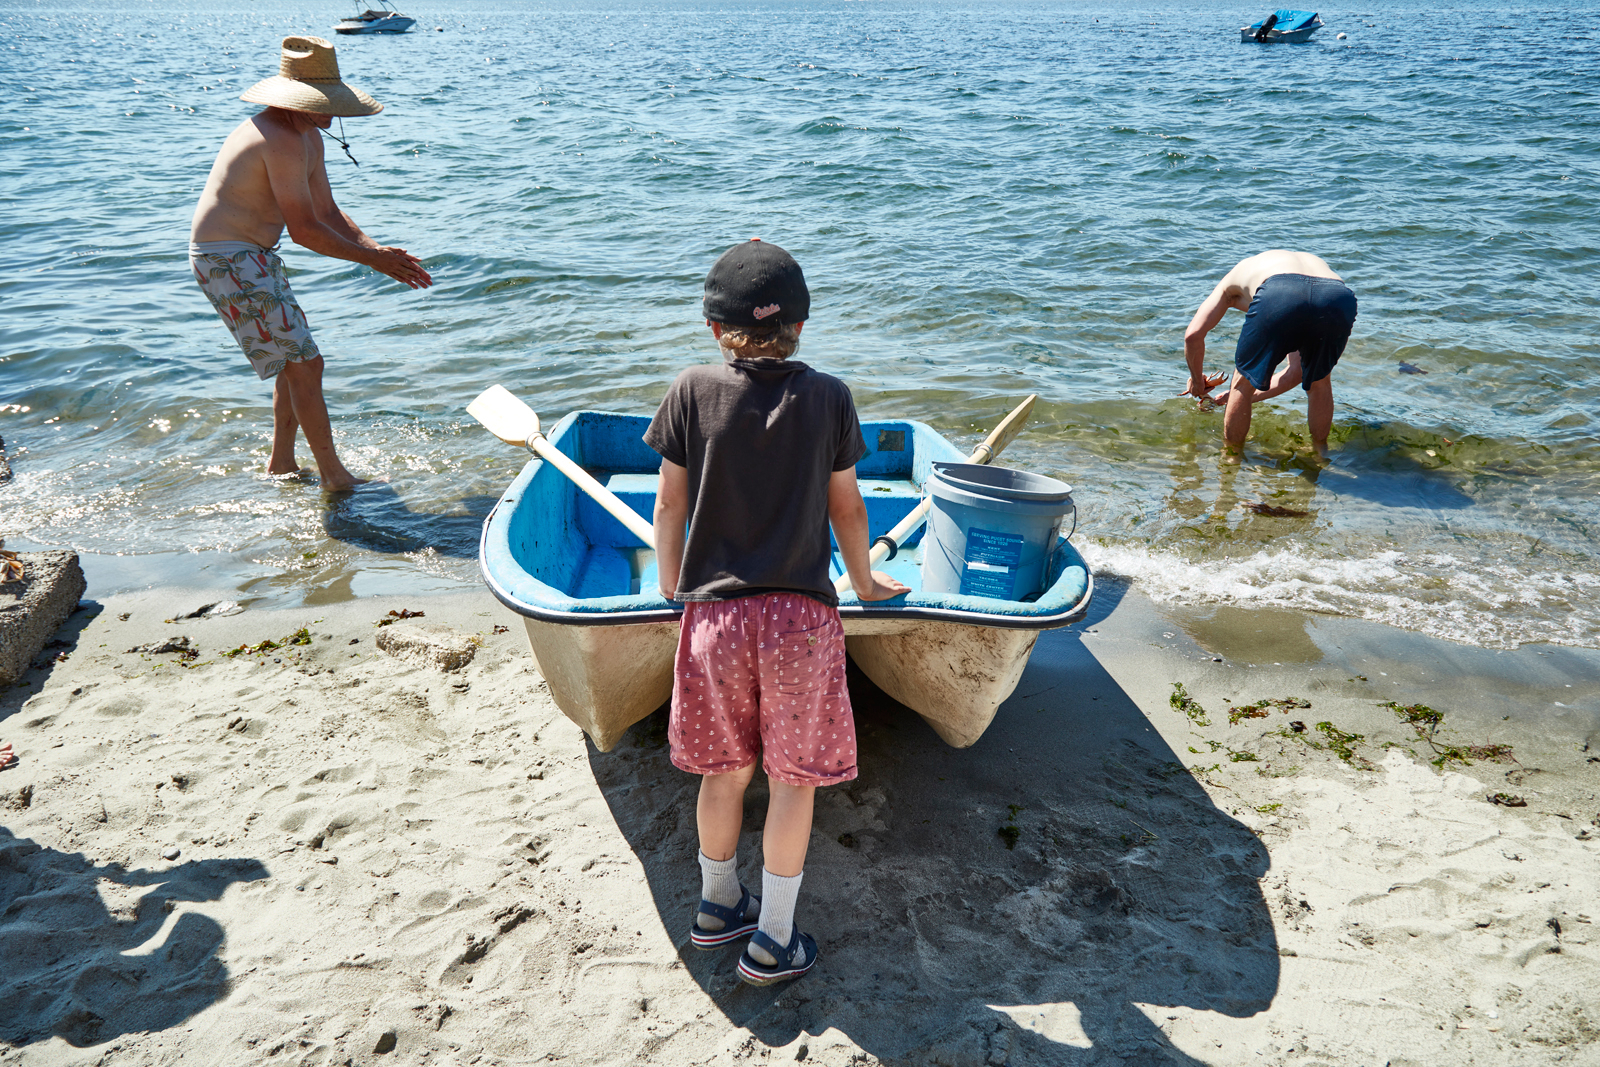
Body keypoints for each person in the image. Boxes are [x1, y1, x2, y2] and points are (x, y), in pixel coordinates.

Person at [645, 239, 908, 986]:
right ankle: (775, 939)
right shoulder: (828, 395)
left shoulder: (691, 388)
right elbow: (847, 505)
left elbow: (669, 502)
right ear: (801, 325)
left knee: (723, 772)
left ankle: (717, 905)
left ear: (713, 327)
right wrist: (862, 580)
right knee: (794, 779)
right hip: (799, 620)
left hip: (715, 621)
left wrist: (673, 585)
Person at [189, 36, 432, 491]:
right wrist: (372, 261)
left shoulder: (305, 137)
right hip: (229, 258)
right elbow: (303, 230)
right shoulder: (277, 138)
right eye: (323, 103)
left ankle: (281, 463)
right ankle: (334, 477)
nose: (332, 113)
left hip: (253, 256)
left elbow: (329, 213)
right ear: (296, 101)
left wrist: (380, 251)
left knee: (293, 362)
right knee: (307, 364)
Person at [1180, 250, 1358, 457]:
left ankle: (1231, 459)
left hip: (1279, 290)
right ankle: (1320, 454)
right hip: (1337, 296)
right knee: (1320, 382)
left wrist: (1197, 382)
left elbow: (1192, 336)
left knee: (1241, 383)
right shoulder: (1274, 269)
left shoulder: (1229, 284)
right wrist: (1230, 399)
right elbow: (1295, 372)